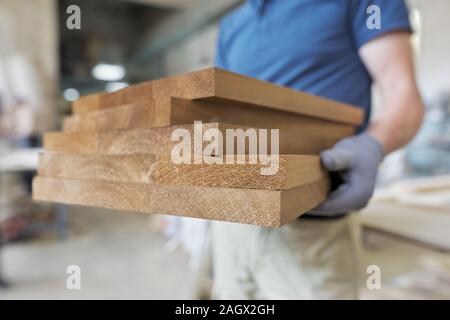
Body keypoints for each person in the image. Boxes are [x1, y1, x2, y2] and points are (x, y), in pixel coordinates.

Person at [211, 0, 424, 299]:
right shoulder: (232, 26)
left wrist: (372, 145)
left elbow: (403, 95)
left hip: (313, 231)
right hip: (232, 222)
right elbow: (224, 112)